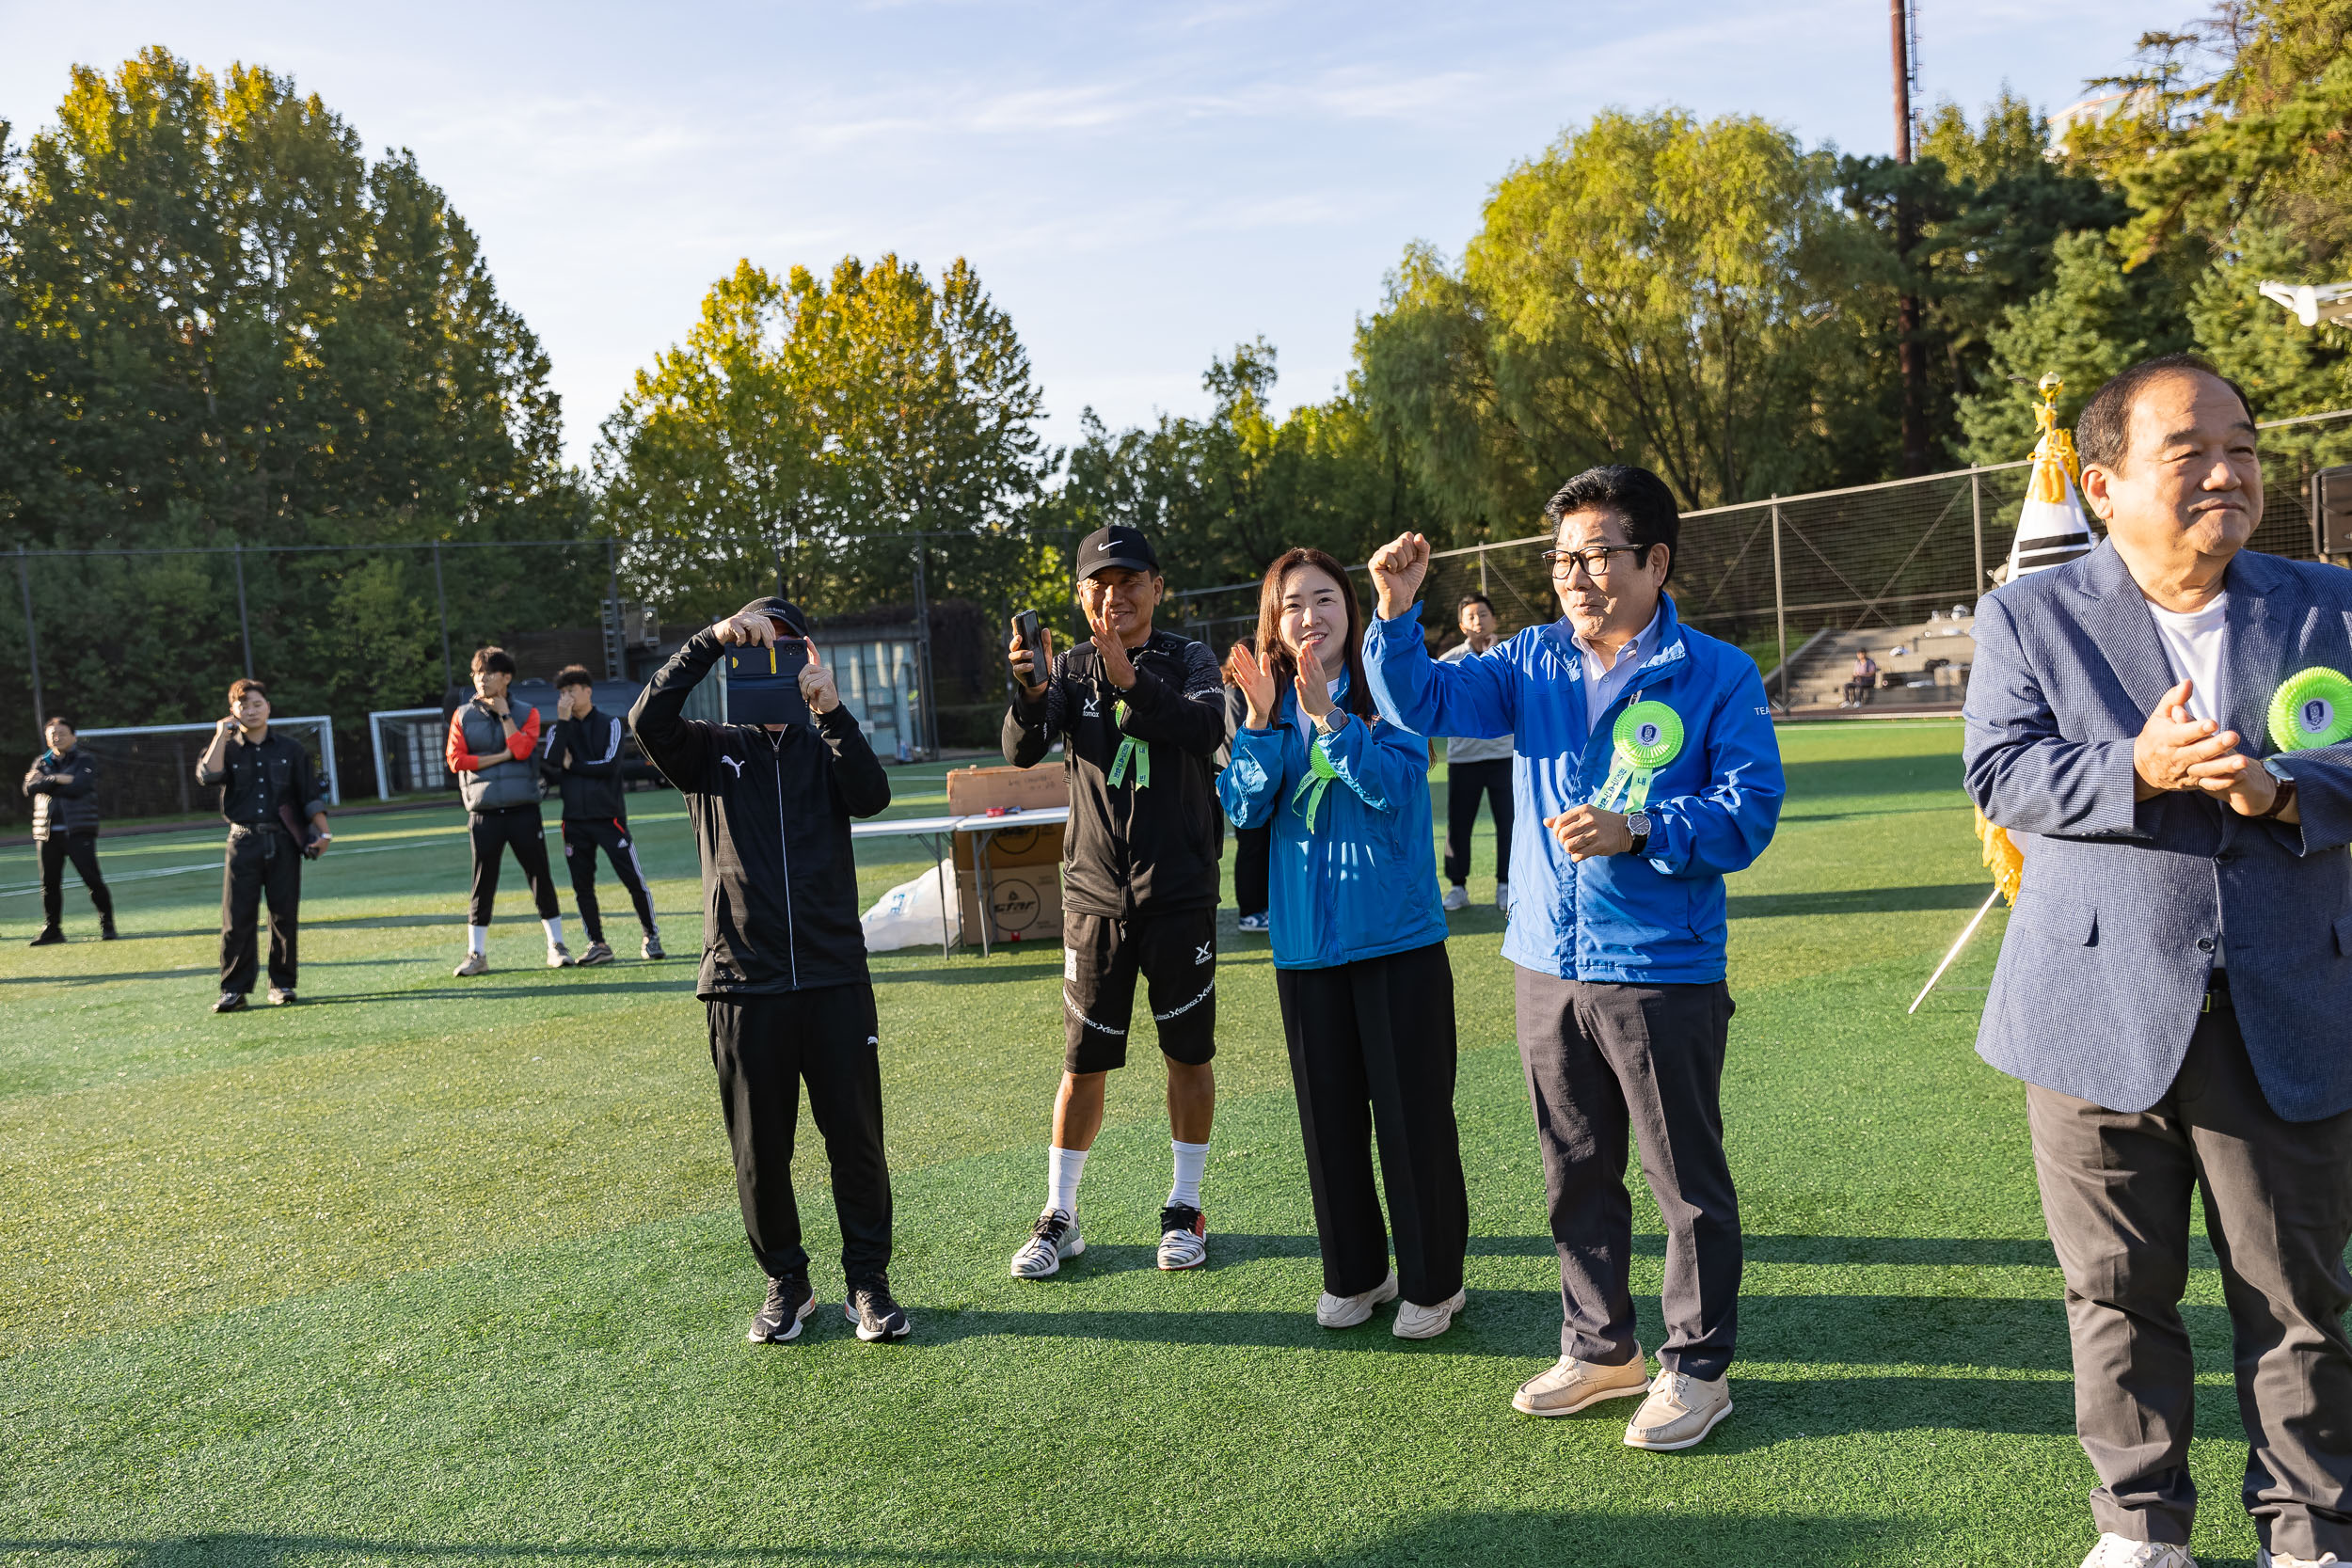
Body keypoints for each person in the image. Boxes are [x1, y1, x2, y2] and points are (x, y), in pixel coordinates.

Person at [1963, 354, 2352, 1568]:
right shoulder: (2029, 613)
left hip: (2285, 997)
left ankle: (2310, 1533)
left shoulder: (2329, 604)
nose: (2232, 471)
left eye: (2243, 445)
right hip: (2091, 1007)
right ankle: (2139, 1527)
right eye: (2192, 450)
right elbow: (2005, 775)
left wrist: (2283, 790)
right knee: (2116, 1292)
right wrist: (2140, 765)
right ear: (2102, 479)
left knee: (2296, 1301)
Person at [1364, 464, 1783, 1450]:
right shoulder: (1529, 660)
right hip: (1544, 961)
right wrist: (1391, 613)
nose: (1575, 575)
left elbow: (1748, 810)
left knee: (1683, 1180)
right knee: (1573, 1168)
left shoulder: (1716, 672)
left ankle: (1697, 1365)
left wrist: (1638, 826)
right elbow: (1420, 701)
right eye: (1561, 558)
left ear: (1655, 560)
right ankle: (1600, 1347)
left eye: (1597, 555)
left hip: (1661, 966)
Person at [631, 597, 908, 1345]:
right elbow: (644, 720)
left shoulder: (829, 740)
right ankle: (786, 1280)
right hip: (741, 982)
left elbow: (873, 796)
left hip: (833, 976)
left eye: (787, 648)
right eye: (758, 648)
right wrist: (711, 641)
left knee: (855, 1138)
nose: (772, 661)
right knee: (760, 1149)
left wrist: (834, 711)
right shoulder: (709, 747)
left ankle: (868, 1283)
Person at [1219, 547, 1468, 1338]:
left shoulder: (1385, 690)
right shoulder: (1261, 704)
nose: (1309, 617)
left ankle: (1436, 1281)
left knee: (1412, 1119)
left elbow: (1392, 788)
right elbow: (1245, 811)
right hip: (1305, 953)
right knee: (1329, 1127)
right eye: (1292, 604)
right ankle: (1357, 1273)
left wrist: (1329, 717)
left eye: (1324, 599)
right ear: (1273, 621)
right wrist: (1260, 722)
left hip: (1396, 942)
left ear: (1350, 613)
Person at [1003, 524, 1228, 1278]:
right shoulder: (1066, 668)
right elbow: (1023, 748)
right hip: (1095, 897)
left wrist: (1128, 676)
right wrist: (1031, 691)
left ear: (1157, 588)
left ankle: (1184, 1204)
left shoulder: (1191, 659)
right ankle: (1059, 1214)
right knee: (1082, 1062)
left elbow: (1202, 728)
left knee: (1186, 1053)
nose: (1116, 594)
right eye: (1100, 583)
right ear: (1080, 595)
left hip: (1180, 891)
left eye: (1132, 580)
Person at [194, 679, 332, 1011]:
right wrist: (218, 736)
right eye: (243, 705)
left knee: (283, 915)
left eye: (257, 704)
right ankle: (234, 990)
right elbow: (207, 776)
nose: (251, 711)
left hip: (283, 841)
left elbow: (309, 795)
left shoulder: (291, 750)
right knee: (236, 918)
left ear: (268, 707)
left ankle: (282, 984)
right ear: (233, 711)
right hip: (242, 841)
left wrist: (323, 834)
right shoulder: (226, 748)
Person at [446, 647, 571, 974]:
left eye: (487, 673)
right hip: (484, 813)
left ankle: (556, 946)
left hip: (523, 811)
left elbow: (523, 749)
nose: (480, 679)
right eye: (476, 673)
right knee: (482, 882)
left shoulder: (526, 712)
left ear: (507, 677)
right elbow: (456, 760)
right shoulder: (462, 715)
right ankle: (476, 954)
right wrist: (499, 757)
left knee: (540, 877)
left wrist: (504, 715)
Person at [540, 663, 662, 966]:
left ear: (587, 691)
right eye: (563, 693)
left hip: (609, 818)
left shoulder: (611, 724)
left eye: (572, 691)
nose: (567, 697)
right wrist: (565, 723)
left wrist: (574, 766)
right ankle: (598, 943)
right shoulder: (559, 727)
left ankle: (651, 936)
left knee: (632, 878)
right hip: (574, 821)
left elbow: (608, 766)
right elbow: (552, 763)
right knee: (582, 886)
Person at [1438, 592, 1515, 913]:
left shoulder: (1510, 655)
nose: (1478, 621)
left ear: (1494, 619)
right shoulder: (1449, 661)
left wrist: (1494, 657)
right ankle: (1458, 887)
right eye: (1471, 616)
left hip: (1504, 756)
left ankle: (1506, 884)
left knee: (1509, 822)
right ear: (1461, 625)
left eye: (1483, 614)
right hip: (1464, 758)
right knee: (1459, 823)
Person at [23, 716, 116, 944]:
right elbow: (29, 788)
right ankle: (53, 930)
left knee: (92, 879)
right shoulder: (41, 762)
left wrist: (48, 782)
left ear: (73, 736)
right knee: (50, 884)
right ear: (46, 738)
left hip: (78, 831)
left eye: (62, 733)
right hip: (47, 833)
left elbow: (79, 787)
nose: (57, 737)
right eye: (52, 734)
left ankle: (108, 926)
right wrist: (59, 779)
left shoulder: (85, 759)